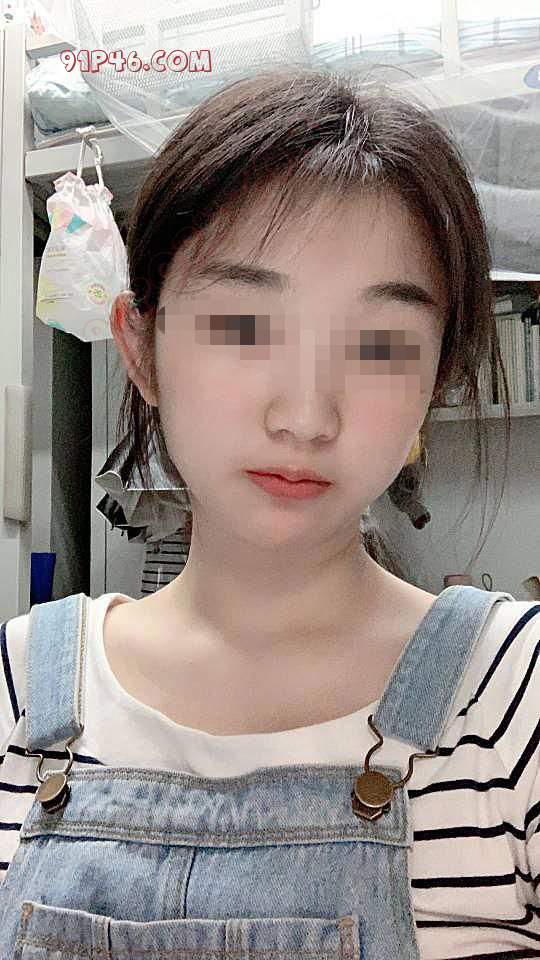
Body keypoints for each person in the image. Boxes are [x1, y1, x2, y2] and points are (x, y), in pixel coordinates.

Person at [1, 67, 539, 958]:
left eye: (379, 344)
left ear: (437, 375)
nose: (306, 416)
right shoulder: (17, 690)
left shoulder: (519, 699)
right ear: (141, 347)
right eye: (245, 327)